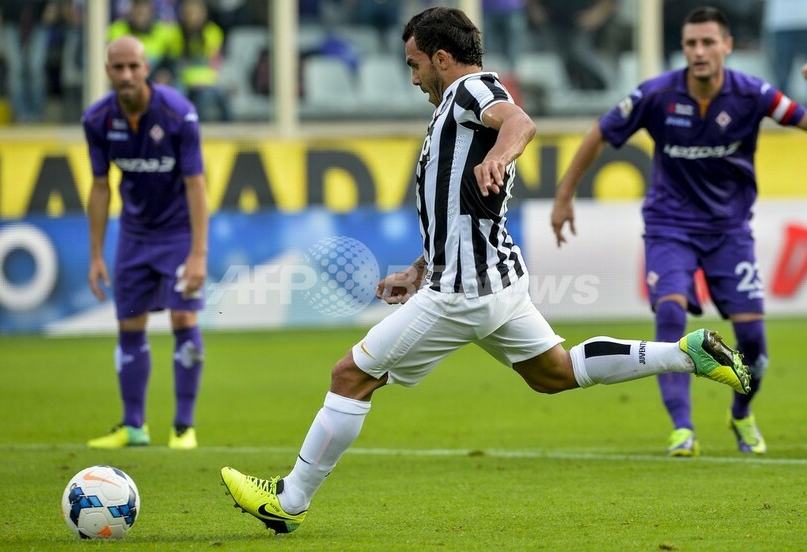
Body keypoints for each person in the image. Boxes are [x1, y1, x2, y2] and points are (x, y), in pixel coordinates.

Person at [219, 7, 750, 534]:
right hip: (496, 280)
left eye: (414, 65)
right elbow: (460, 211)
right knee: (555, 373)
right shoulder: (456, 107)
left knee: (351, 376)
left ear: (441, 58)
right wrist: (420, 268)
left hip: (463, 292)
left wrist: (501, 156)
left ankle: (290, 499)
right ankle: (685, 353)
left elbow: (520, 122)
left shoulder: (469, 91)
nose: (413, 78)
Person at [551, 7, 807, 457]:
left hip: (730, 231)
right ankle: (682, 428)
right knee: (670, 315)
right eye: (691, 43)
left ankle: (741, 413)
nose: (699, 51)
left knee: (753, 342)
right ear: (683, 48)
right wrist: (564, 194)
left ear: (728, 46)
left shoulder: (753, 93)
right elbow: (600, 132)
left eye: (708, 42)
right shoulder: (657, 94)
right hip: (670, 227)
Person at [83, 35, 209, 450]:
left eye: (133, 66)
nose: (126, 75)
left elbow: (196, 185)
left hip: (178, 235)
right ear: (107, 71)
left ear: (146, 68)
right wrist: (96, 255)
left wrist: (198, 254)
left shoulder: (178, 113)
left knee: (183, 319)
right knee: (129, 326)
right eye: (118, 68)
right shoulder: (97, 120)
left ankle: (183, 428)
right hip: (134, 237)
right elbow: (100, 187)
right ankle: (134, 426)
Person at [172, 0, 231, 122]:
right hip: (183, 81)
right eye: (188, 13)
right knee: (176, 92)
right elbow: (176, 63)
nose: (191, 17)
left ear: (203, 13)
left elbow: (214, 64)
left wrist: (199, 80)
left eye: (194, 12)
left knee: (209, 94)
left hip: (207, 81)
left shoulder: (213, 32)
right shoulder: (176, 33)